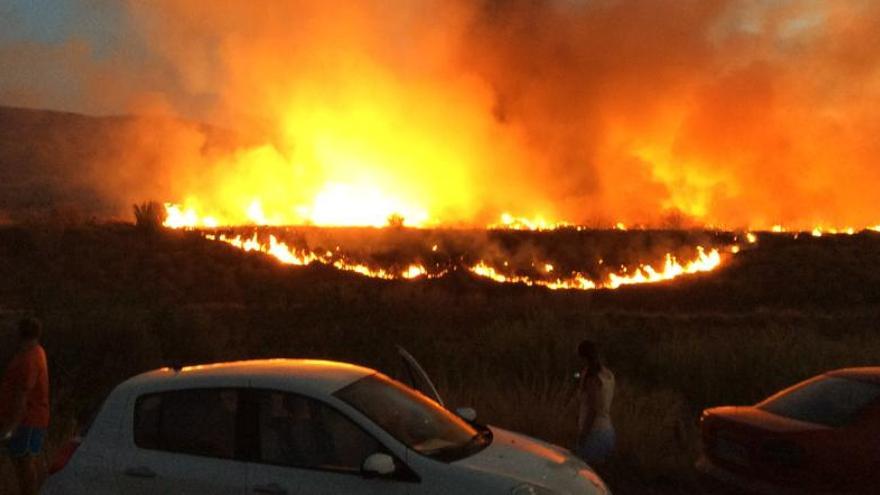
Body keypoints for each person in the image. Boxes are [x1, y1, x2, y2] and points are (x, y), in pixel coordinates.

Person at [0, 317, 50, 495]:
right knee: (22, 464)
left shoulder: (29, 359)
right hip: (27, 419)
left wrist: (10, 428)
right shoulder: (35, 352)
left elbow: (23, 395)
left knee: (25, 465)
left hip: (27, 420)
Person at [575, 339, 615, 465]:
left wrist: (583, 436)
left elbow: (593, 409)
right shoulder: (608, 374)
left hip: (594, 433)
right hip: (607, 431)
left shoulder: (592, 378)